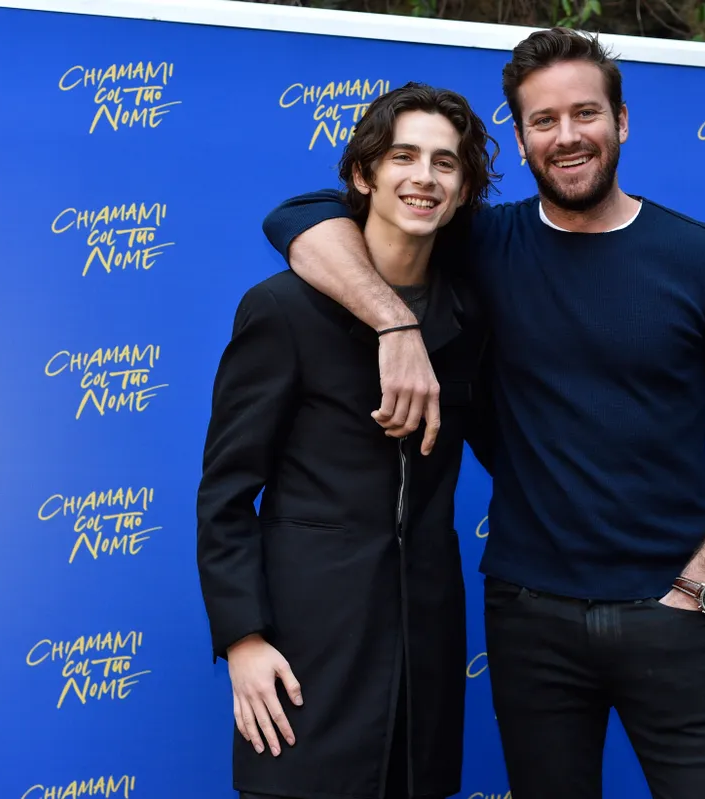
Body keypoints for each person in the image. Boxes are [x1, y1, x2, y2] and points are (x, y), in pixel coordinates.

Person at [260, 27, 705, 799]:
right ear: (519, 138)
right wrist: (393, 322)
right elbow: (300, 216)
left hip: (675, 613)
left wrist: (700, 583)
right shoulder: (482, 241)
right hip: (529, 617)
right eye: (543, 120)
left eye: (586, 113)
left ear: (621, 120)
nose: (567, 135)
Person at [195, 82, 499, 799]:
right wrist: (242, 638)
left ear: (463, 190)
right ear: (364, 175)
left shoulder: (469, 317)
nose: (424, 177)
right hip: (305, 654)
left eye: (445, 163)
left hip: (424, 655)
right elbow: (226, 494)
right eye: (403, 157)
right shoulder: (281, 310)